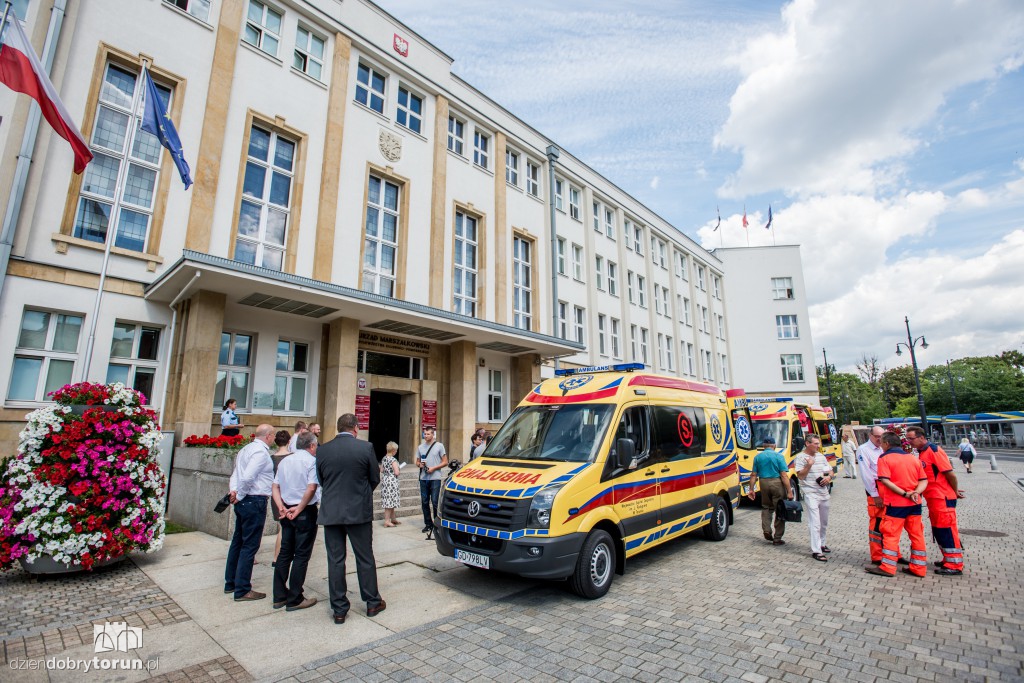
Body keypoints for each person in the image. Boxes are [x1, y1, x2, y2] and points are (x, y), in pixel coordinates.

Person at [316, 413, 385, 624]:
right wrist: (361, 495)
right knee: (364, 557)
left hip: (332, 511)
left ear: (338, 428)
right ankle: (372, 602)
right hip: (358, 511)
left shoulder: (323, 449)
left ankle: (339, 609)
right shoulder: (365, 448)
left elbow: (322, 479)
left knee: (335, 560)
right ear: (355, 428)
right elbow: (374, 478)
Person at [865, 433, 928, 578]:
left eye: (882, 443)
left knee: (891, 535)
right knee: (917, 535)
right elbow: (924, 480)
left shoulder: (885, 458)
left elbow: (885, 481)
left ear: (886, 443)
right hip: (915, 503)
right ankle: (918, 568)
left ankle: (887, 566)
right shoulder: (913, 458)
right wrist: (915, 493)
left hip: (896, 504)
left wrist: (904, 494)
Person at [224, 423, 275, 601]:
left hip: (244, 499)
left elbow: (236, 474)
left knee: (238, 541)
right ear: (268, 436)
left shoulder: (245, 449)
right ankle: (243, 589)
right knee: (249, 545)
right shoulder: (260, 452)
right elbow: (247, 476)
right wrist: (240, 494)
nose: (274, 438)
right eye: (273, 435)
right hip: (254, 500)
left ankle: (230, 582)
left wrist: (234, 491)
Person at [271, 431, 320, 611]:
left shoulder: (285, 460)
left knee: (285, 552)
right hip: (304, 511)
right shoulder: (311, 461)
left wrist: (281, 507)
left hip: (286, 510)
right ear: (312, 446)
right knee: (301, 555)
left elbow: (275, 486)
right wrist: (299, 508)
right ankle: (295, 598)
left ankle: (279, 595)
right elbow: (312, 487)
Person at [907, 426, 965, 576]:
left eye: (911, 438)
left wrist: (955, 491)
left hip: (942, 497)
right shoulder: (922, 452)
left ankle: (954, 564)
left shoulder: (934, 451)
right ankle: (948, 558)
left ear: (921, 437)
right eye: (907, 438)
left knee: (947, 530)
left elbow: (950, 474)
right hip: (934, 498)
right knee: (939, 530)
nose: (909, 441)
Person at [746, 435, 794, 545]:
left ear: (763, 446)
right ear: (774, 446)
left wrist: (751, 489)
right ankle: (777, 538)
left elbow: (753, 475)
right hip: (776, 483)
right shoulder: (779, 456)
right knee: (780, 509)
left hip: (763, 483)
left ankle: (767, 530)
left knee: (766, 507)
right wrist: (789, 491)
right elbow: (784, 475)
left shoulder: (758, 457)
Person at [794, 434, 832, 562]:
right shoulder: (800, 457)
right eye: (815, 443)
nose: (818, 446)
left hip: (823, 492)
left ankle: (822, 542)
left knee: (824, 521)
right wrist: (808, 465)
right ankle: (816, 550)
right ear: (807, 443)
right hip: (810, 493)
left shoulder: (821, 456)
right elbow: (800, 476)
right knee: (815, 522)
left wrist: (828, 478)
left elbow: (829, 470)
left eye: (818, 443)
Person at [856, 426, 886, 565]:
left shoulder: (884, 448)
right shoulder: (864, 450)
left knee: (889, 524)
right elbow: (866, 474)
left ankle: (892, 552)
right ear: (870, 435)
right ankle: (877, 555)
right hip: (875, 490)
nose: (880, 439)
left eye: (882, 436)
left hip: (887, 490)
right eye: (877, 436)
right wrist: (874, 494)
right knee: (877, 523)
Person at [416, 426, 448, 534]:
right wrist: (419, 465)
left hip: (435, 477)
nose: (426, 436)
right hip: (423, 478)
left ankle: (436, 524)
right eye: (424, 434)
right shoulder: (420, 447)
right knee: (424, 502)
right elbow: (417, 461)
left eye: (428, 434)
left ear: (433, 434)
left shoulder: (439, 446)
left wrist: (434, 468)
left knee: (434, 502)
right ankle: (428, 524)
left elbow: (445, 462)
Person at [271, 430, 292, 567]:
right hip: (289, 494)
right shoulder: (292, 457)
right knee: (285, 529)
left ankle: (276, 557)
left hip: (276, 495)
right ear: (289, 441)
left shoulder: (271, 458)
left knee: (281, 526)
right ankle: (278, 557)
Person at [380, 442, 401, 527]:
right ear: (393, 450)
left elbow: (381, 470)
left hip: (385, 480)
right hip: (392, 481)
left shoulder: (384, 458)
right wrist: (399, 469)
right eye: (396, 450)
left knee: (390, 500)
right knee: (389, 502)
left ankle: (393, 519)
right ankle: (387, 521)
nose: (396, 451)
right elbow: (396, 472)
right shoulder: (393, 460)